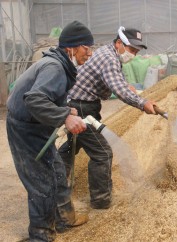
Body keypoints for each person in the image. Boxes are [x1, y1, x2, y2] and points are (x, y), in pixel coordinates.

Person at [6, 21, 94, 241]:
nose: (89, 54)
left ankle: (65, 218)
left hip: (35, 124)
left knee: (55, 171)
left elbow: (44, 98)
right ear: (71, 47)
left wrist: (64, 109)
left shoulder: (59, 63)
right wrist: (64, 116)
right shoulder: (54, 67)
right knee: (41, 181)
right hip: (25, 128)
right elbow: (34, 100)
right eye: (86, 47)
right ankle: (41, 235)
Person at [58, 26, 158, 210]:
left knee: (73, 145)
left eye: (136, 51)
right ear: (119, 43)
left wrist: (126, 85)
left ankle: (56, 181)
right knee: (102, 153)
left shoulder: (109, 53)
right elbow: (118, 90)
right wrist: (142, 103)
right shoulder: (110, 59)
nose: (133, 55)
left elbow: (115, 81)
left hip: (82, 103)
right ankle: (101, 200)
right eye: (131, 50)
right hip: (80, 107)